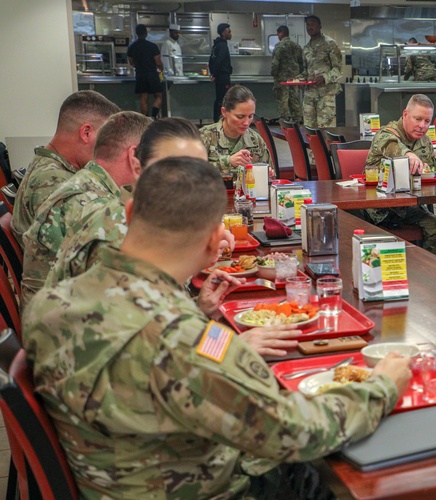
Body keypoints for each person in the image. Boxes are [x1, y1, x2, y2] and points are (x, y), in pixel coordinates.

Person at [23, 157, 411, 498]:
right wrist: (382, 386)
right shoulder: (179, 340)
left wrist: (202, 316)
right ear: (214, 244)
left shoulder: (52, 301)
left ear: (127, 214)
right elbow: (297, 431)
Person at [46, 118, 288, 358]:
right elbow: (158, 348)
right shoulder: (115, 235)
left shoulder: (138, 221)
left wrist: (199, 307)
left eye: (199, 171)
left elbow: (160, 321)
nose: (189, 184)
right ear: (137, 167)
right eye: (172, 168)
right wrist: (234, 349)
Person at [21, 111, 152, 305]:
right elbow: (127, 297)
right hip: (63, 324)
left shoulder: (87, 184)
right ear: (133, 155)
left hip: (52, 312)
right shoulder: (97, 207)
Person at [12, 91, 120, 245]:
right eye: (105, 140)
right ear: (86, 132)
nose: (107, 149)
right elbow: (75, 249)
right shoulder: (52, 180)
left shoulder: (52, 167)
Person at [358, 94, 436, 255]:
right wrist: (409, 155)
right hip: (374, 209)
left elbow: (431, 174)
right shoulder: (385, 134)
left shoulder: (425, 141)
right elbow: (392, 146)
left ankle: (426, 268)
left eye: (427, 121)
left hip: (406, 208)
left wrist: (426, 171)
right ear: (405, 115)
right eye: (417, 119)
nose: (422, 126)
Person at [201, 85, 271, 175]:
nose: (246, 122)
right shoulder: (205, 136)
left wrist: (267, 176)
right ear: (224, 112)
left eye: (250, 116)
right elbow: (190, 173)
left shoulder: (255, 140)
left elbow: (270, 176)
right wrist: (228, 162)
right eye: (240, 116)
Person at [300, 15, 344, 128]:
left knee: (325, 128)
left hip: (326, 94)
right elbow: (306, 71)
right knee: (309, 128)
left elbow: (338, 69)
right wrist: (298, 79)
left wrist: (325, 77)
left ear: (320, 26)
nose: (310, 27)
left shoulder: (330, 44)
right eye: (308, 25)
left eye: (313, 24)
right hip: (310, 94)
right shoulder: (306, 48)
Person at [126, 24, 164, 119]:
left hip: (140, 74)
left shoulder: (132, 46)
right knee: (159, 95)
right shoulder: (152, 46)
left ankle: (145, 119)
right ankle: (153, 117)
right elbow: (158, 62)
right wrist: (161, 68)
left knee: (143, 97)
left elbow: (131, 62)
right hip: (152, 74)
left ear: (136, 33)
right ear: (146, 33)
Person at [271, 25, 304, 123]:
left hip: (282, 78)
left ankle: (285, 119)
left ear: (281, 33)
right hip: (295, 78)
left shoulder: (279, 46)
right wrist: (300, 75)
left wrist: (274, 74)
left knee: (283, 99)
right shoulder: (297, 46)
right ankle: (297, 118)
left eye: (278, 34)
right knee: (294, 98)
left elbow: (275, 62)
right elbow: (301, 62)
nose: (278, 36)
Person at [210, 23, 233, 123]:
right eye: (229, 31)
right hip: (223, 76)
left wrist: (213, 73)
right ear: (224, 33)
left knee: (219, 98)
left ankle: (216, 119)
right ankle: (220, 119)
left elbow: (211, 60)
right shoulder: (223, 46)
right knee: (223, 98)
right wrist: (215, 73)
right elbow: (219, 61)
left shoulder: (216, 45)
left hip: (218, 76)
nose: (230, 33)